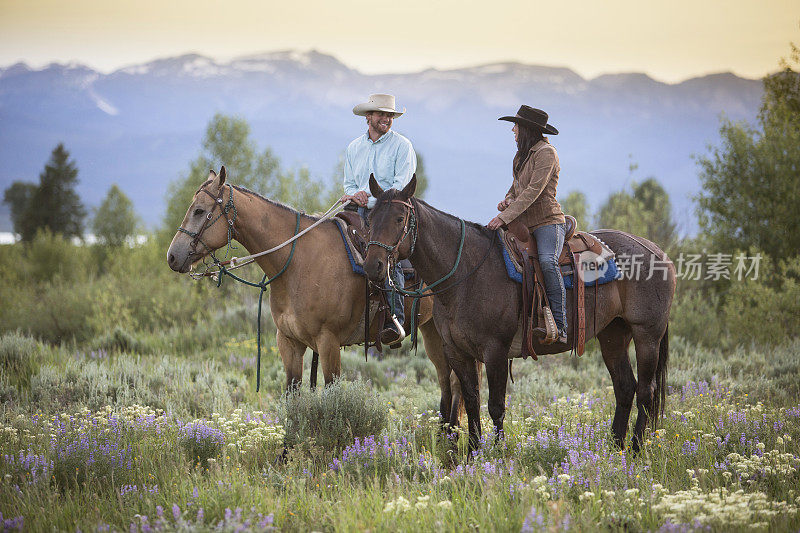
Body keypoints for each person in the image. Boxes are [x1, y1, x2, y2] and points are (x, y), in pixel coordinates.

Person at [340, 93, 417, 345]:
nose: (386, 119)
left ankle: (395, 318)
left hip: (390, 214)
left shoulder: (402, 146)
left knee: (384, 251)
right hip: (359, 209)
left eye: (390, 115)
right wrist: (354, 195)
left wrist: (369, 199)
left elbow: (399, 187)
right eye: (381, 114)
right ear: (368, 117)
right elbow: (349, 184)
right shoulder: (354, 148)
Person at [487, 105, 567, 344]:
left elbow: (534, 191)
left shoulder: (546, 153)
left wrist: (504, 217)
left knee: (547, 261)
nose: (513, 130)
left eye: (516, 126)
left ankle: (561, 326)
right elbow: (516, 189)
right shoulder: (521, 155)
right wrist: (507, 201)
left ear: (526, 130)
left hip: (547, 222)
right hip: (522, 223)